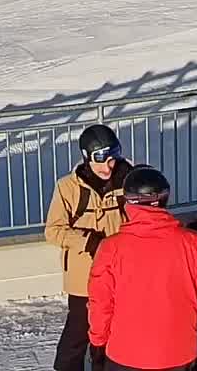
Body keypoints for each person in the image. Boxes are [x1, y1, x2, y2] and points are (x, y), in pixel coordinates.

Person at [88, 166, 197, 371]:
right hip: (178, 352)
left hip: (125, 354)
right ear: (165, 199)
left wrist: (97, 342)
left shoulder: (112, 248)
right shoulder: (193, 243)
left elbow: (100, 304)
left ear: (129, 202)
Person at [46, 125, 131, 371]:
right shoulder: (68, 188)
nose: (108, 167)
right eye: (100, 160)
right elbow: (53, 230)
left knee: (116, 332)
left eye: (113, 157)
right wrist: (89, 241)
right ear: (86, 157)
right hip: (84, 276)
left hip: (120, 272)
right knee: (79, 332)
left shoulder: (129, 180)